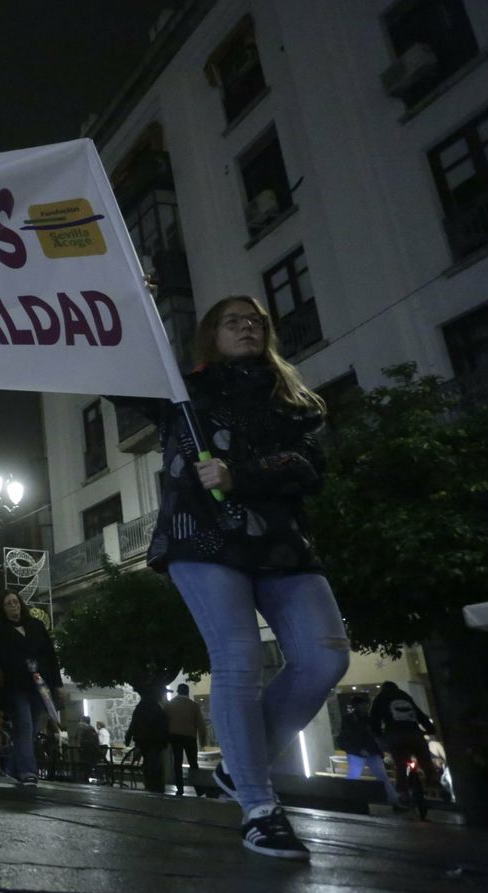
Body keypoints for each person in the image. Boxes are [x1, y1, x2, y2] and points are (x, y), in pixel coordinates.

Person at [120, 295, 347, 859]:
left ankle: (243, 767)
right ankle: (258, 806)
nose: (246, 328)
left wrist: (239, 473)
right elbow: (118, 370)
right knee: (238, 659)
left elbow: (310, 466)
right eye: (232, 321)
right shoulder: (183, 390)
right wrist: (128, 297)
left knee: (325, 656)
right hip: (203, 537)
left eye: (255, 322)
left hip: (281, 543)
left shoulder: (294, 401)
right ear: (210, 335)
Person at [0, 591, 64, 786]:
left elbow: (50, 656)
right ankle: (28, 771)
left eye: (15, 601)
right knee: (24, 725)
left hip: (38, 684)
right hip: (15, 685)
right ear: (3, 608)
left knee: (30, 730)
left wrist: (57, 684)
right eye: (8, 603)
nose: (13, 605)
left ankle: (11, 763)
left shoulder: (36, 626)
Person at [370, 680, 437, 807]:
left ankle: (403, 794)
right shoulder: (405, 696)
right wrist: (430, 729)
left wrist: (379, 735)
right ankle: (434, 782)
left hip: (395, 736)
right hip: (414, 734)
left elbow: (374, 720)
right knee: (425, 760)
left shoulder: (380, 698)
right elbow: (420, 714)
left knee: (400, 765)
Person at [337, 693, 401, 808]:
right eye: (362, 704)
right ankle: (394, 801)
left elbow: (351, 736)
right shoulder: (364, 719)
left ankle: (347, 800)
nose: (364, 706)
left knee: (359, 776)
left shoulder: (356, 719)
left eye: (365, 704)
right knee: (378, 777)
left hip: (363, 751)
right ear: (356, 706)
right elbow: (354, 735)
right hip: (363, 751)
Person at [127, 683, 171, 793]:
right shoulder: (155, 707)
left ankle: (150, 784)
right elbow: (162, 724)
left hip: (143, 739)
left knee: (149, 762)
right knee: (153, 763)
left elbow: (134, 723)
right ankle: (153, 785)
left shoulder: (142, 706)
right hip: (154, 740)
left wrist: (129, 736)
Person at [165, 683, 207, 796]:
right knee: (193, 763)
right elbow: (201, 724)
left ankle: (180, 788)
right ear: (187, 692)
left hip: (175, 736)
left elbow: (165, 721)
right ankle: (199, 788)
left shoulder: (170, 705)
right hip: (190, 737)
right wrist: (203, 740)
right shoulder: (193, 705)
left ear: (178, 691)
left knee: (177, 763)